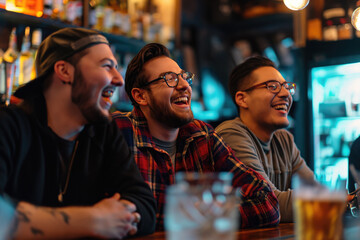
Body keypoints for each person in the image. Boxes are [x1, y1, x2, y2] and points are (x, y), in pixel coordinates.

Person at [0, 27, 156, 239]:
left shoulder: (103, 130)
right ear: (65, 71)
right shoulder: (9, 126)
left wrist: (118, 217)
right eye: (107, 66)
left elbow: (144, 204)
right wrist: (93, 220)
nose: (119, 80)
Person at [112, 43, 280, 230]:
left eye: (184, 77)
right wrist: (204, 214)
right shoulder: (117, 132)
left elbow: (268, 203)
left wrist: (201, 216)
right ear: (141, 96)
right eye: (170, 79)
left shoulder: (201, 136)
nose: (184, 85)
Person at [215, 56, 314, 222]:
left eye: (286, 87)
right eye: (272, 87)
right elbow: (272, 205)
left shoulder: (284, 140)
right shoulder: (230, 135)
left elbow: (315, 189)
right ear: (242, 99)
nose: (285, 94)